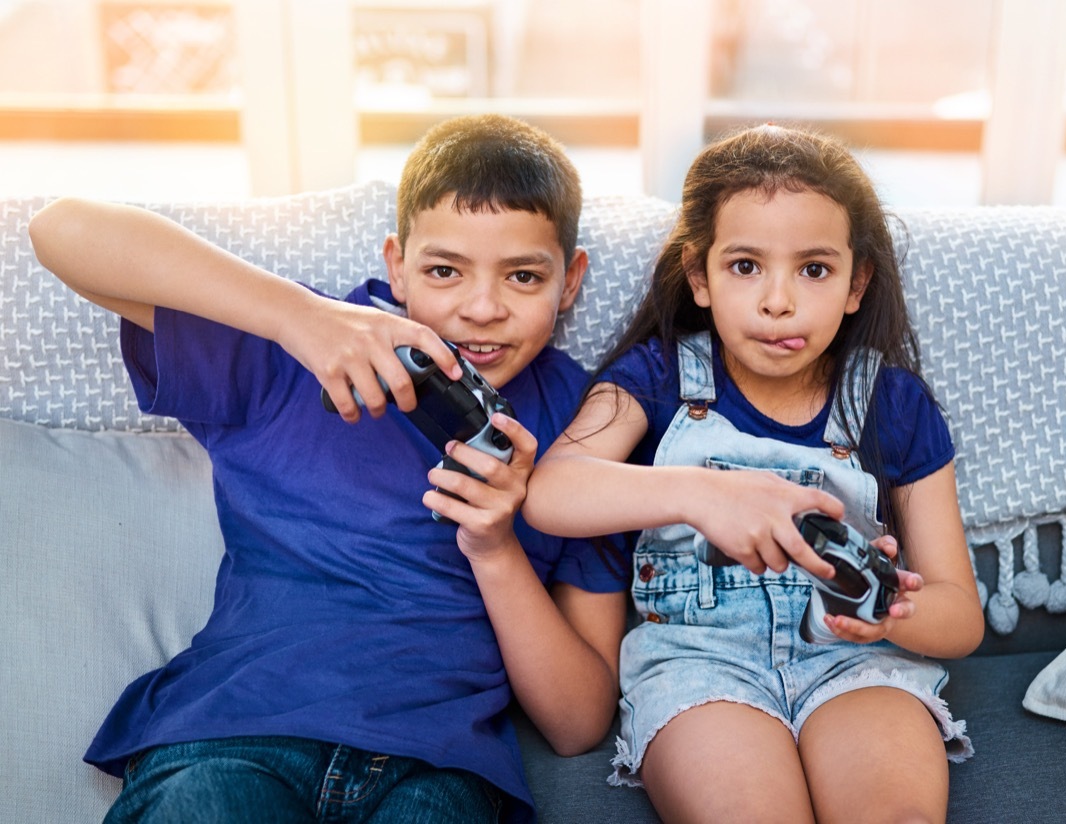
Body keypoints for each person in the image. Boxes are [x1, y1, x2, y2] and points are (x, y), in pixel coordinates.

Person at [28, 114, 629, 824]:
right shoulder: (297, 345)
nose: (481, 309)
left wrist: (495, 547)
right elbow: (60, 231)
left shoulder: (588, 426)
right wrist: (295, 317)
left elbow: (576, 723)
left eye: (523, 276)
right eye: (443, 271)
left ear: (571, 280)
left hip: (438, 769)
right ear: (396, 265)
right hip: (236, 730)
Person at [523, 124, 985, 823]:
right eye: (745, 266)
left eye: (814, 270)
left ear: (856, 283)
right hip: (699, 667)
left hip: (853, 665)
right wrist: (705, 494)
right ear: (699, 276)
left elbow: (962, 619)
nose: (778, 301)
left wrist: (891, 609)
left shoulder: (893, 404)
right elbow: (552, 491)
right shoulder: (656, 377)